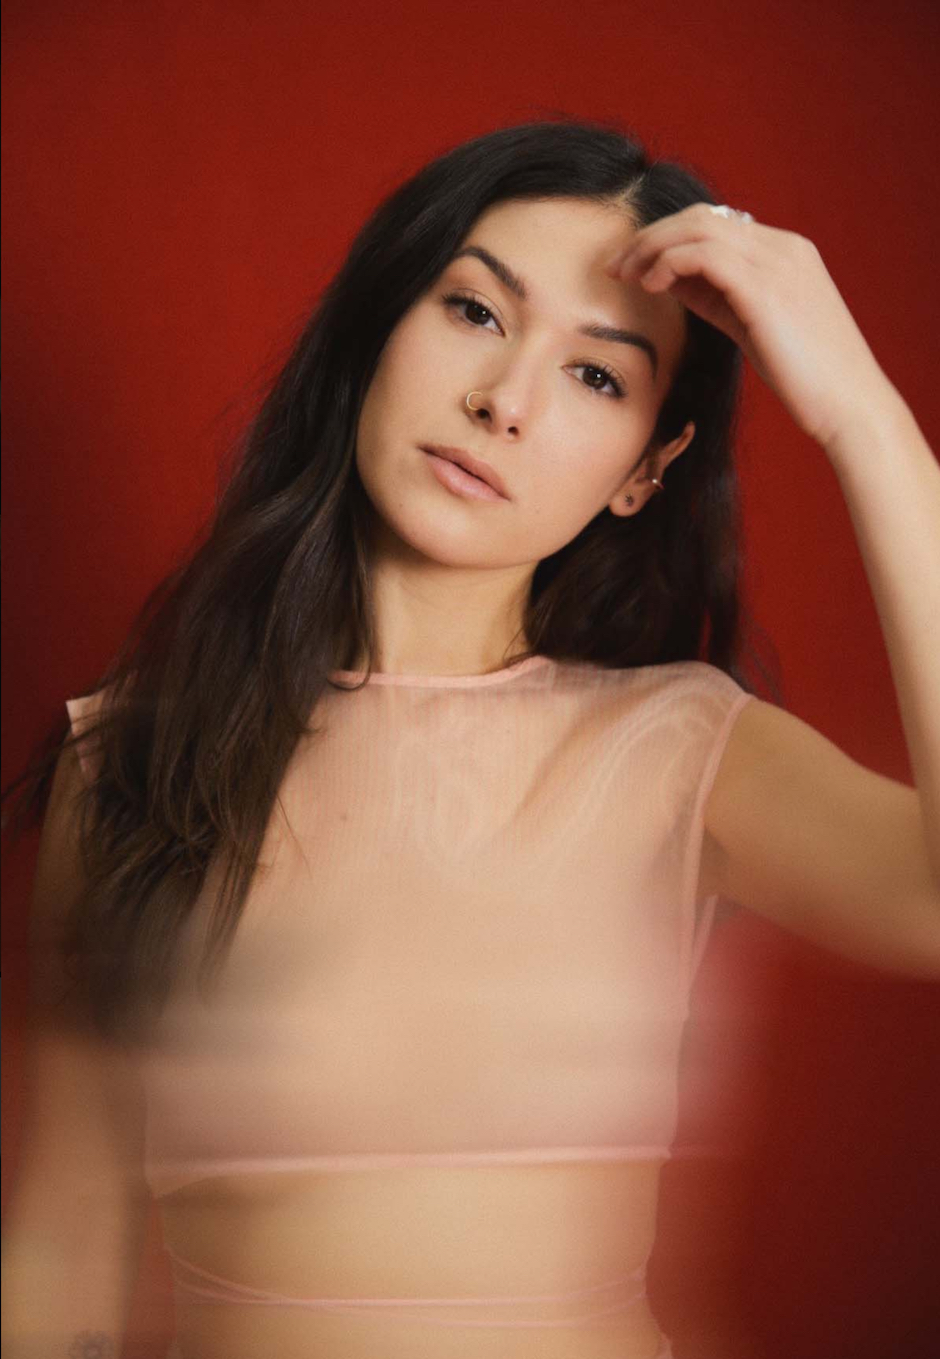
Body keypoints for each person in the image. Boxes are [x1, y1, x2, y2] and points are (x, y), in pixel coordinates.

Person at [2, 118, 938, 1359]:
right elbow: (62, 1247)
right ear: (378, 326)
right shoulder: (131, 762)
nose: (503, 401)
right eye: (476, 313)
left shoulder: (680, 749)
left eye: (597, 376)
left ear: (644, 471)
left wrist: (863, 420)